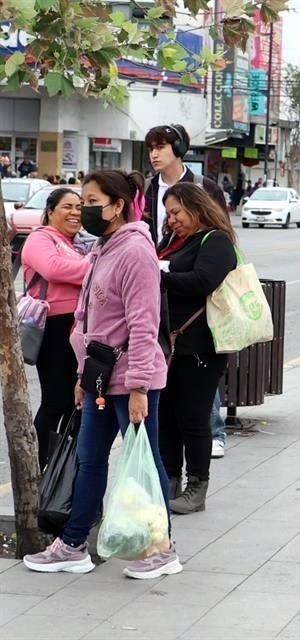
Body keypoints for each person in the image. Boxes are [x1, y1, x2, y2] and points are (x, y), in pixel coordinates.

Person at [23, 169, 181, 579]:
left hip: (131, 378)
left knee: (144, 461)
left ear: (117, 205)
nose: (86, 209)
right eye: (82, 201)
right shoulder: (104, 248)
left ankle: (162, 549)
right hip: (98, 375)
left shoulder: (135, 252)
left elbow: (144, 324)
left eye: (92, 202)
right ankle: (73, 544)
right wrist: (81, 373)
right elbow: (86, 314)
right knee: (90, 460)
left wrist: (140, 387)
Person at [156, 183, 237, 514]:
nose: (172, 220)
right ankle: (170, 481)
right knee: (167, 417)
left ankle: (196, 487)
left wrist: (160, 275)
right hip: (170, 345)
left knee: (192, 418)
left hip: (200, 346)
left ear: (195, 207)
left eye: (177, 212)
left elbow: (204, 282)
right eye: (169, 214)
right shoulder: (175, 241)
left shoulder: (215, 240)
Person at [20, 188, 91, 469]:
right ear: (50, 211)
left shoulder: (77, 244)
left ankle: (60, 466)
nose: (75, 212)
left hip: (78, 327)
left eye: (80, 207)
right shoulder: (40, 238)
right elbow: (52, 269)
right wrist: (92, 269)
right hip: (53, 326)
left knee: (73, 401)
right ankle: (37, 467)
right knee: (55, 398)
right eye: (68, 207)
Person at [143, 124, 227, 245]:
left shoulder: (205, 188)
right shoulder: (145, 189)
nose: (154, 155)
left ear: (178, 148)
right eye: (151, 150)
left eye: (160, 147)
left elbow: (223, 234)